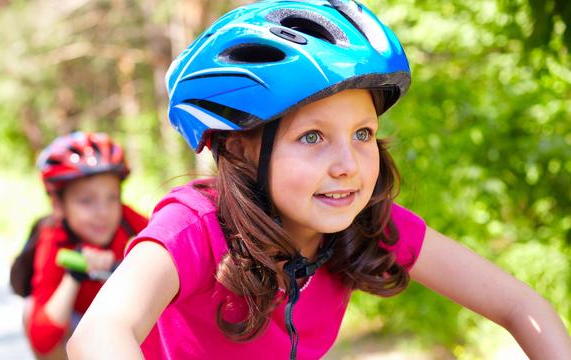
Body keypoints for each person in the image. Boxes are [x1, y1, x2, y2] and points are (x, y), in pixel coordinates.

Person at [67, 1, 571, 359]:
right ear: (241, 146)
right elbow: (98, 333)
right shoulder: (195, 227)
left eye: (362, 133)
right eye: (312, 137)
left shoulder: (366, 222)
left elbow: (520, 305)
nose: (348, 164)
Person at [18, 131, 149, 359]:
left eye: (112, 197)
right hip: (77, 324)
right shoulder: (54, 238)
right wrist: (74, 276)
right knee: (32, 313)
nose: (103, 212)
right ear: (58, 204)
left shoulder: (128, 221)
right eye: (86, 201)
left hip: (127, 320)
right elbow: (42, 340)